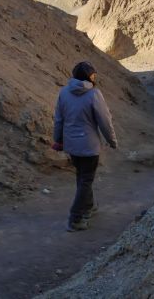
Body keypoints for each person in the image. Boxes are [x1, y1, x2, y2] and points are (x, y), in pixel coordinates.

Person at [52, 61, 117, 232]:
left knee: (82, 178)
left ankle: (89, 206)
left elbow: (59, 119)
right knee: (86, 180)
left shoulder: (64, 92)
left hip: (72, 145)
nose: (95, 78)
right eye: (93, 75)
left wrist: (58, 140)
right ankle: (76, 218)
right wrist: (112, 140)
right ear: (89, 76)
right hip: (89, 145)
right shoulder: (94, 94)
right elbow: (105, 120)